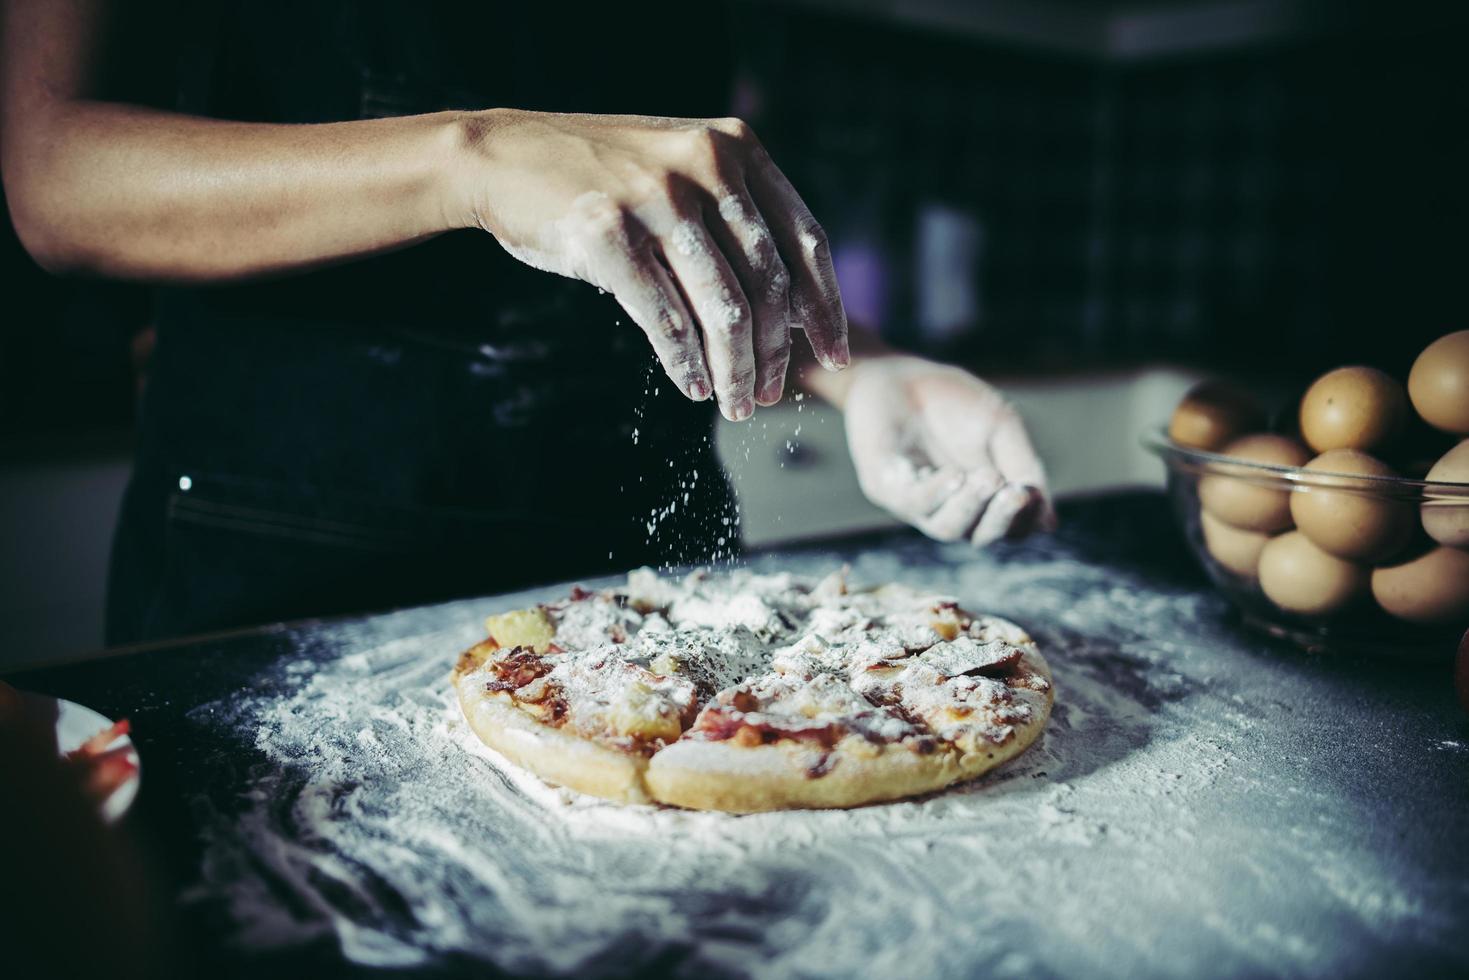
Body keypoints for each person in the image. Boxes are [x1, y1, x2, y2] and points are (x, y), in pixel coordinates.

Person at [1, 1, 1053, 645]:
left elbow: (657, 207)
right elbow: (57, 175)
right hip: (287, 564)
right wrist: (476, 156)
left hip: (644, 567)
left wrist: (859, 368)